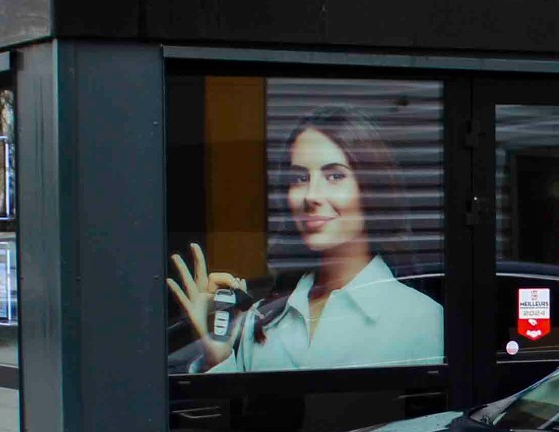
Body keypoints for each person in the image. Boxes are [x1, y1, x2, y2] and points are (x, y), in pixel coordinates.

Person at [168, 107, 442, 372]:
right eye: (300, 177)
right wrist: (218, 357)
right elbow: (240, 405)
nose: (311, 195)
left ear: (371, 188)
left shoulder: (422, 319)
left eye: (334, 176)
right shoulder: (261, 317)